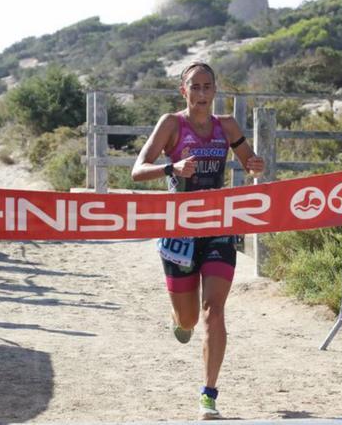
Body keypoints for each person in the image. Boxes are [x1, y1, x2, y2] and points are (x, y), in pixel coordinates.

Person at [131, 61, 264, 419]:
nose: (202, 94)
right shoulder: (171, 124)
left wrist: (254, 164)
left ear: (215, 90)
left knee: (214, 311)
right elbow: (137, 170)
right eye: (195, 87)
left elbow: (247, 158)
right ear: (183, 90)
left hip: (218, 225)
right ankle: (179, 320)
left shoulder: (227, 126)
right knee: (189, 320)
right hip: (180, 232)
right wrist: (170, 168)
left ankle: (209, 393)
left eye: (208, 87)